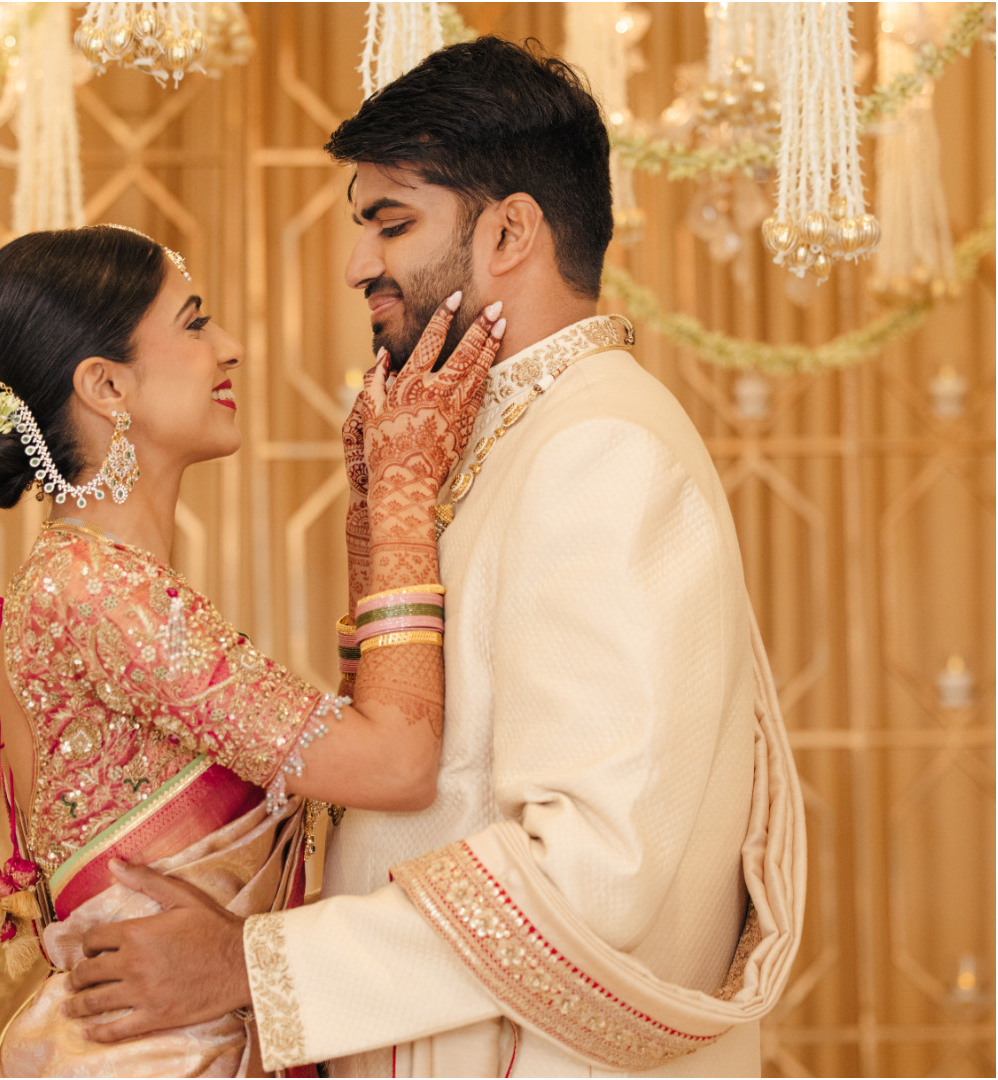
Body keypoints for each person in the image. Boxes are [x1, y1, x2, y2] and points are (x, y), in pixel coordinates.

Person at [53, 39, 807, 1078]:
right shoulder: (497, 439)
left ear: (509, 232)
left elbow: (599, 870)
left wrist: (252, 965)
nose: (358, 267)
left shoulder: (599, 450)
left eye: (393, 223)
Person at [0, 223, 504, 1076]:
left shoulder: (84, 580)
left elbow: (355, 764)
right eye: (194, 323)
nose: (228, 347)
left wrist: (370, 526)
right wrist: (404, 496)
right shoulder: (100, 595)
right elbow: (396, 765)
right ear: (107, 385)